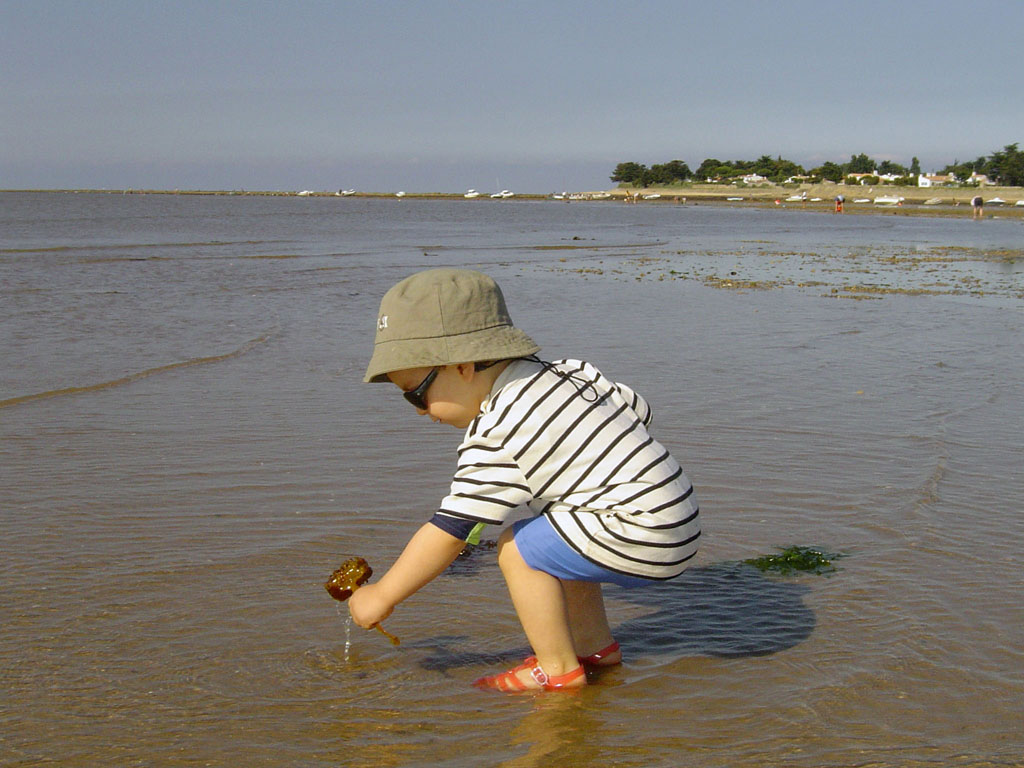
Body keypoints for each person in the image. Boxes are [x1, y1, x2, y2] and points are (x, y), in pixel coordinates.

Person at [348, 268, 701, 692]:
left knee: (517, 549)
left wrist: (383, 595)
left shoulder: (500, 426)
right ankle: (595, 648)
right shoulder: (566, 372)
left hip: (645, 533)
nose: (421, 411)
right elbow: (637, 409)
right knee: (554, 532)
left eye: (415, 394)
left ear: (462, 366)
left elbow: (452, 529)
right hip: (677, 515)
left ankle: (557, 670)